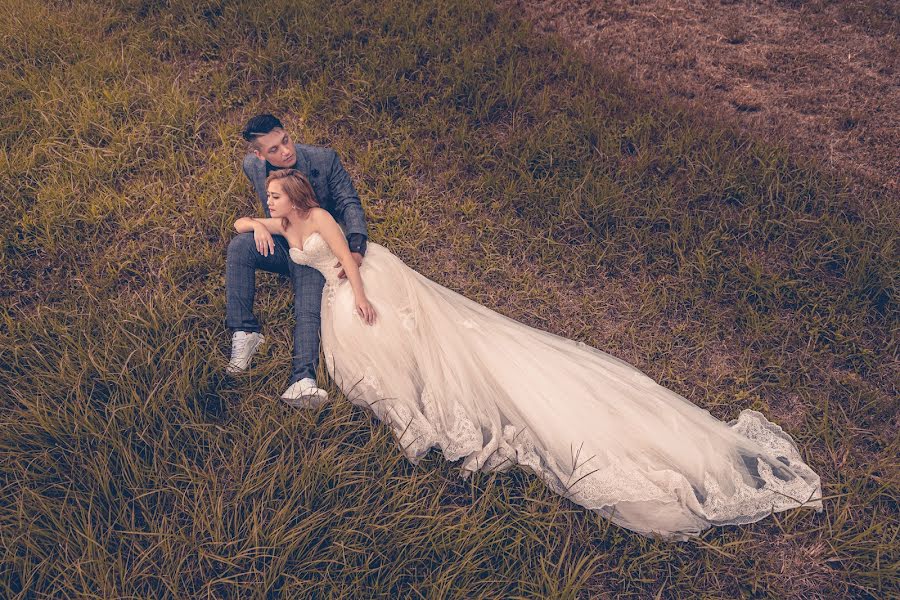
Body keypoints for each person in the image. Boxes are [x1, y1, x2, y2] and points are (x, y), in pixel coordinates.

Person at [235, 168, 823, 540]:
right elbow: (242, 221)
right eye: (268, 194)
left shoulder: (318, 219)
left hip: (363, 286)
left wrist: (359, 298)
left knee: (425, 345)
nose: (269, 197)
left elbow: (347, 255)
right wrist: (256, 224)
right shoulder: (280, 223)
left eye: (275, 192)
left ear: (296, 196)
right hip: (336, 297)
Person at [225, 114, 368, 404]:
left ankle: (302, 378)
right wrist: (260, 225)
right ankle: (245, 331)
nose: (285, 151)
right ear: (258, 153)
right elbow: (250, 218)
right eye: (273, 150)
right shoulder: (252, 166)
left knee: (306, 308)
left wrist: (355, 247)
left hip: (318, 251)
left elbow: (349, 202)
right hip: (285, 239)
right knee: (240, 246)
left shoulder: (324, 159)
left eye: (285, 141)